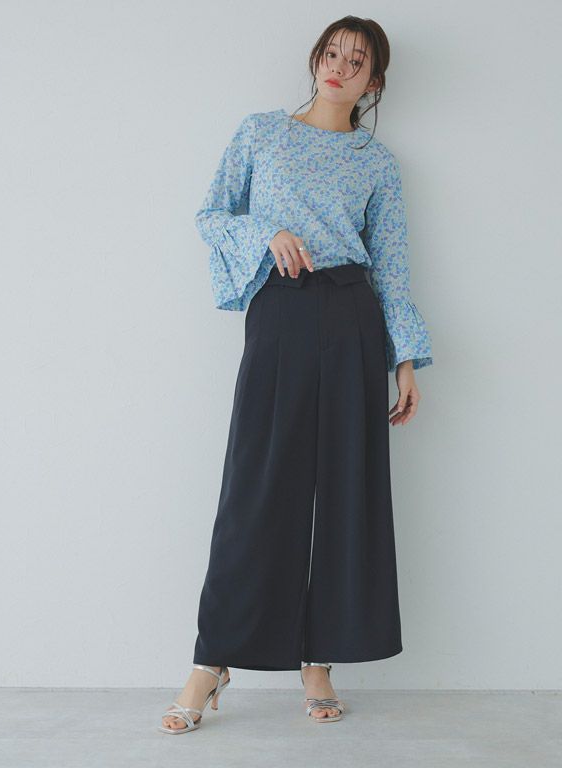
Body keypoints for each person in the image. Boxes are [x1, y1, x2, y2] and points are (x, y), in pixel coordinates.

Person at [159, 15, 433, 734]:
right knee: (257, 486)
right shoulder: (261, 134)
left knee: (344, 490)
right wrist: (267, 232)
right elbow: (211, 215)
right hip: (280, 311)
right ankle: (211, 660)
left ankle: (319, 660)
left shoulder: (377, 164)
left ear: (374, 82)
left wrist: (405, 357)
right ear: (315, 59)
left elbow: (392, 267)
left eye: (357, 60)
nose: (339, 66)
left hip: (352, 317)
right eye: (331, 52)